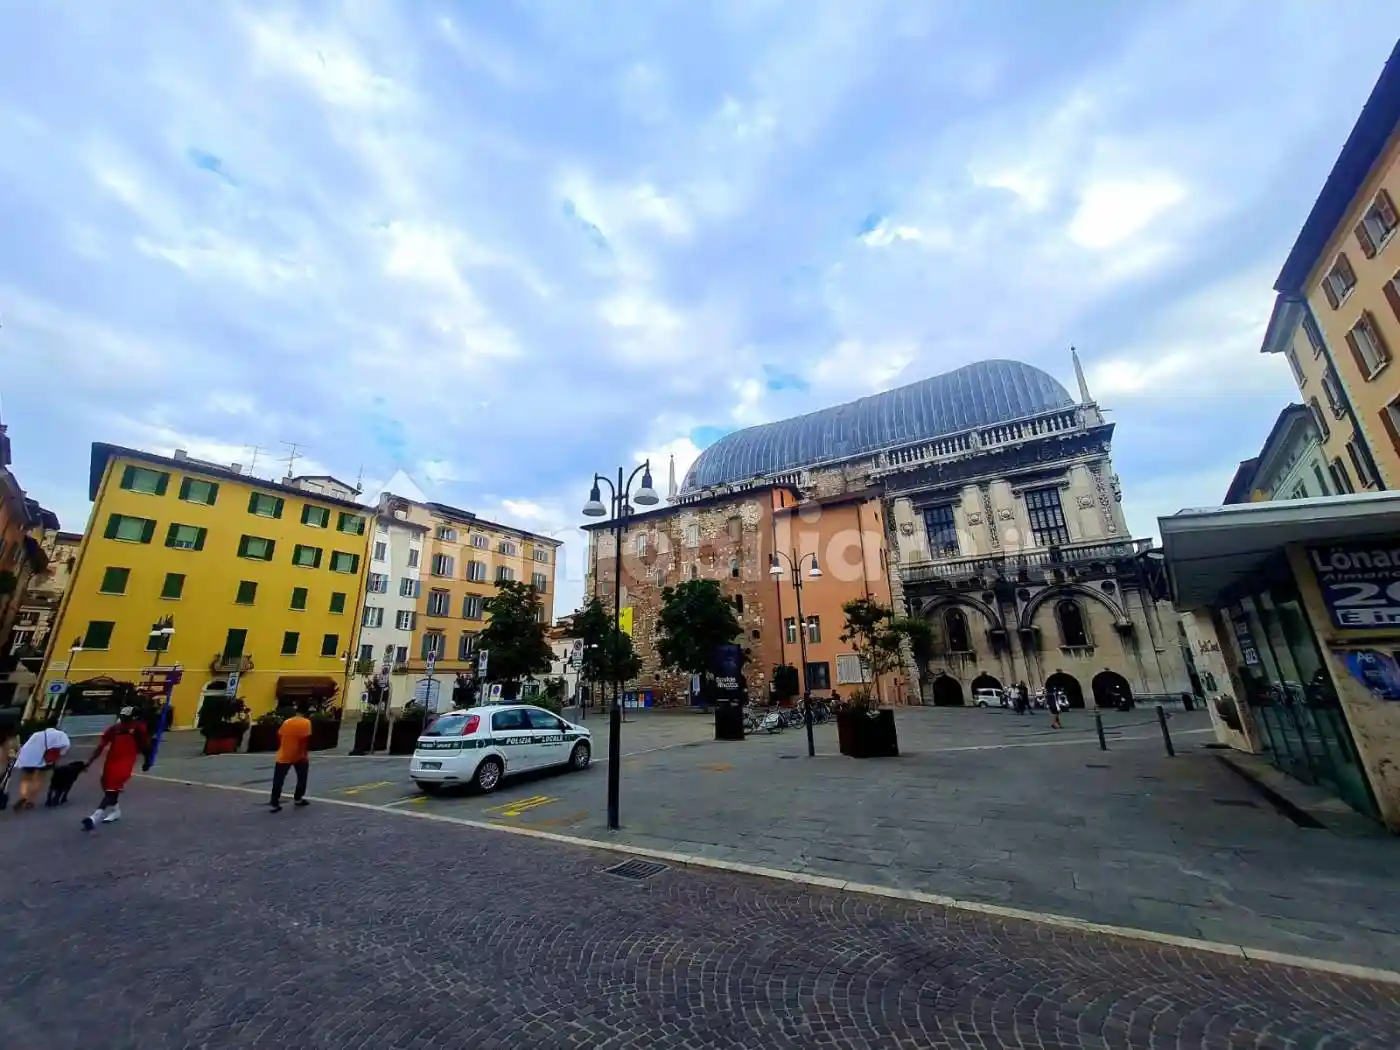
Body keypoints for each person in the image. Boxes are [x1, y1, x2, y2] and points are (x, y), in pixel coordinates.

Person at [81, 706, 151, 830]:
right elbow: (101, 746)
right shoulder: (114, 729)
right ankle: (116, 811)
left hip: (125, 763)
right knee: (106, 785)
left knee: (111, 789)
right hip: (111, 761)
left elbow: (145, 746)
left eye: (126, 718)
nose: (122, 720)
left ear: (133, 718)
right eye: (122, 717)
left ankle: (94, 817)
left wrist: (147, 761)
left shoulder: (138, 729)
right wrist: (89, 762)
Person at [12, 724, 71, 811]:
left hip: (29, 758)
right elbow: (65, 747)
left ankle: (24, 796)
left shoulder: (37, 734)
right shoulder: (61, 735)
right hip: (46, 759)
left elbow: (27, 746)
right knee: (39, 779)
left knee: (26, 779)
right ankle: (30, 801)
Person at [269, 702, 313, 812]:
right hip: (298, 755)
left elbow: (279, 735)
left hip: (284, 753)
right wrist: (304, 754)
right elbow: (304, 740)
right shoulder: (306, 723)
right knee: (302, 777)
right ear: (306, 712)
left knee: (278, 779)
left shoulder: (287, 722)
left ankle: (275, 802)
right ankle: (298, 798)